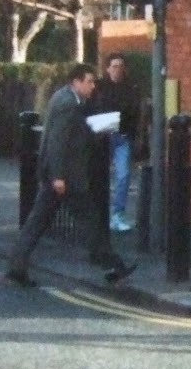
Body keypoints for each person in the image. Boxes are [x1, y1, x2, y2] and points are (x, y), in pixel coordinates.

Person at [7, 64, 135, 287]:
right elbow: (58, 142)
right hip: (66, 177)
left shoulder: (66, 98)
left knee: (39, 223)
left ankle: (16, 268)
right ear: (76, 82)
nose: (93, 86)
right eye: (89, 81)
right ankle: (113, 267)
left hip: (61, 176)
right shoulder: (68, 104)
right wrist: (58, 176)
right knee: (89, 222)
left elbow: (74, 134)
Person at [92, 53, 141, 232]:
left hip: (122, 136)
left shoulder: (131, 87)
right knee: (99, 176)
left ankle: (118, 214)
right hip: (103, 136)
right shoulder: (99, 86)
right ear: (107, 69)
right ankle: (97, 214)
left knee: (124, 175)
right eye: (114, 66)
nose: (118, 69)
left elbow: (135, 111)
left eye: (120, 66)